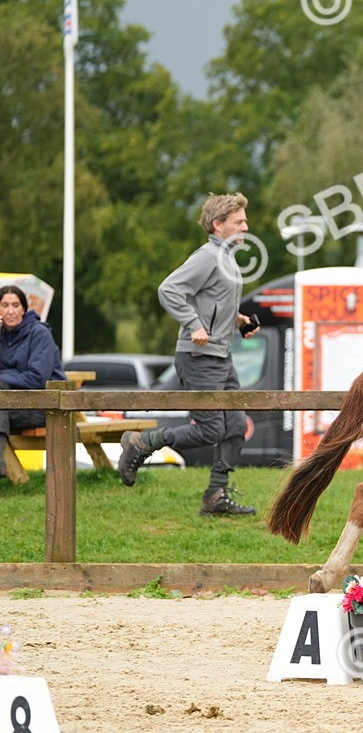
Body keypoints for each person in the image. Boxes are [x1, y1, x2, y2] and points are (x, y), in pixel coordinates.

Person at [118, 193, 259, 515]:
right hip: (199, 358)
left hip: (221, 357)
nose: (245, 227)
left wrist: (238, 320)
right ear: (218, 225)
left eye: (245, 220)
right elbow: (169, 289)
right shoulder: (208, 256)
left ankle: (215, 496)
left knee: (236, 426)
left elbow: (212, 301)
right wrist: (194, 324)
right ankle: (142, 444)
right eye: (239, 222)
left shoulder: (227, 258)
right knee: (211, 429)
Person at [0, 285, 66, 478]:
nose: (10, 311)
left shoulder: (39, 334)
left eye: (15, 305)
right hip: (8, 407)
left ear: (23, 308)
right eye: (4, 305)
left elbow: (36, 378)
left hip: (44, 406)